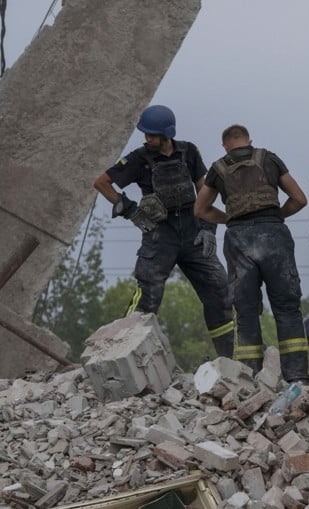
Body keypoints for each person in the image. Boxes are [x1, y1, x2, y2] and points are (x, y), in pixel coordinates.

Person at [93, 105, 234, 357]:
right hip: (160, 235)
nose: (147, 138)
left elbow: (205, 189)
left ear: (167, 133)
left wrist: (208, 228)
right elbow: (102, 183)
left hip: (193, 233)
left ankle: (230, 358)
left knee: (220, 293)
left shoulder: (189, 151)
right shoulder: (138, 158)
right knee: (147, 297)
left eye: (152, 135)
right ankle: (120, 356)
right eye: (145, 134)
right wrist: (130, 211)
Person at [195, 124, 309, 383]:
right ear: (249, 141)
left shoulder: (218, 168)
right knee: (287, 307)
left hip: (238, 239)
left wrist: (230, 218)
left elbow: (200, 209)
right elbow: (300, 198)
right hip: (274, 237)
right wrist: (274, 216)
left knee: (245, 309)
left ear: (225, 146)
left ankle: (248, 377)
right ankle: (298, 377)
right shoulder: (268, 158)